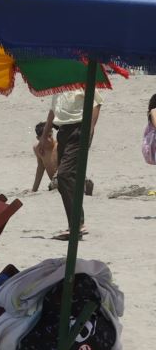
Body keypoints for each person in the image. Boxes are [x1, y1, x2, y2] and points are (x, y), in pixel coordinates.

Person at [49, 87, 102, 240]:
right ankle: (77, 224)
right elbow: (53, 111)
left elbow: (97, 103)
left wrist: (90, 129)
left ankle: (77, 225)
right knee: (66, 179)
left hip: (79, 129)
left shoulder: (81, 80)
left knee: (64, 175)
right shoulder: (58, 85)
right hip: (63, 132)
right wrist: (46, 131)